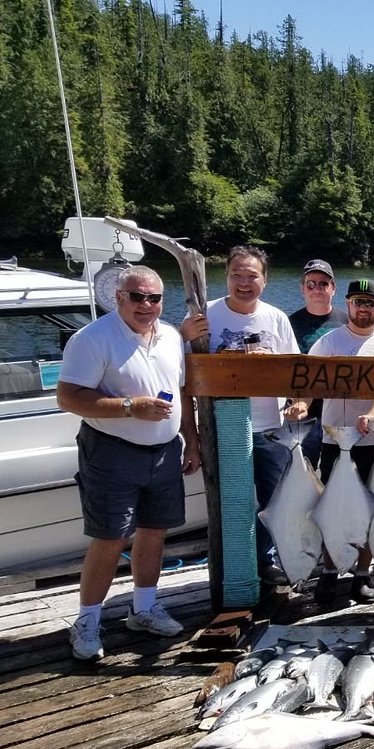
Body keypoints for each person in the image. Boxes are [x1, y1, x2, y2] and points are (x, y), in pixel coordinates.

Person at [57, 265, 201, 661]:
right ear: (118, 297)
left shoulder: (171, 336)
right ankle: (87, 620)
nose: (146, 305)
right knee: (109, 537)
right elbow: (68, 397)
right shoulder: (92, 338)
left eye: (154, 298)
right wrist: (128, 407)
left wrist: (191, 439)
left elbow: (182, 392)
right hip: (110, 449)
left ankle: (144, 607)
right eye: (137, 297)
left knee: (155, 531)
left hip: (165, 450)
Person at [184, 245, 303, 587]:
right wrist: (192, 440)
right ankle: (232, 571)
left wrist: (299, 401)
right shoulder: (203, 316)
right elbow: (181, 376)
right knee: (232, 505)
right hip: (223, 428)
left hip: (270, 429)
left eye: (252, 276)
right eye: (237, 275)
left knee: (275, 503)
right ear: (227, 277)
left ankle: (264, 564)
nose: (244, 283)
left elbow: (296, 372)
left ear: (264, 280)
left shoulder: (277, 318)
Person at [292, 278, 374, 605]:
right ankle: (329, 572)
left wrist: (373, 413)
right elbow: (308, 382)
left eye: (370, 303)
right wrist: (302, 404)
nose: (364, 308)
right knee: (332, 508)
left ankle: (361, 574)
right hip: (335, 439)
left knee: (373, 510)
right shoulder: (328, 343)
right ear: (348, 304)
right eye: (358, 302)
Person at [288, 259, 348, 465]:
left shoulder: (348, 322)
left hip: (341, 413)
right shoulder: (289, 323)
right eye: (310, 284)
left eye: (323, 283)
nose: (316, 289)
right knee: (304, 471)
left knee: (337, 472)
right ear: (302, 289)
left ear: (333, 288)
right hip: (303, 415)